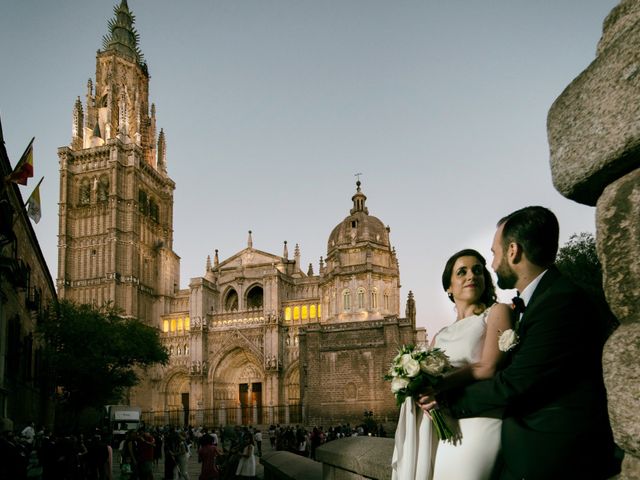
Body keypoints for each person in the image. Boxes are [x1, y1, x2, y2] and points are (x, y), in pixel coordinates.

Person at [419, 206, 618, 479]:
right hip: (523, 451)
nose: (491, 264)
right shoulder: (542, 300)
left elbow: (513, 383)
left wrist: (445, 400)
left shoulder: (558, 302)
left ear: (513, 251)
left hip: (551, 456)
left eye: (493, 253)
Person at [393, 248, 513, 479]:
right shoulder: (441, 335)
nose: (471, 276)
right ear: (449, 287)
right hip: (447, 425)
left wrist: (437, 387)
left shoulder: (497, 312)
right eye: (462, 272)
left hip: (480, 420)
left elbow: (487, 367)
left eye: (478, 270)